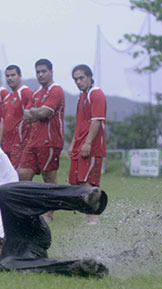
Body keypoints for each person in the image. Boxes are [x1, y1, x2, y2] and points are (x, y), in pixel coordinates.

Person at [0, 110, 108, 277]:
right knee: (6, 264)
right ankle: (79, 267)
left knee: (7, 190)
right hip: (24, 250)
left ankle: (84, 199)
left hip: (29, 223)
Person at [19, 58, 65, 223]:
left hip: (50, 141)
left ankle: (49, 214)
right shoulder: (36, 93)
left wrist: (35, 112)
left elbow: (43, 114)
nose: (40, 75)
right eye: (38, 72)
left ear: (51, 72)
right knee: (23, 174)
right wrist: (35, 112)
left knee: (49, 178)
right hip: (33, 141)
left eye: (43, 71)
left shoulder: (56, 90)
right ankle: (27, 210)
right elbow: (26, 115)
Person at [68, 64, 107, 225]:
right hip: (80, 144)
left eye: (81, 78)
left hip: (91, 146)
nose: (78, 81)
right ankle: (90, 216)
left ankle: (94, 217)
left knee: (88, 181)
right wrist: (72, 144)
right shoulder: (82, 96)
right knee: (78, 181)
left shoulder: (96, 94)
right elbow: (80, 123)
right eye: (75, 79)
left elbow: (96, 120)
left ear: (90, 77)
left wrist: (88, 143)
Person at [2, 65, 33, 169]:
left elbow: (32, 116)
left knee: (18, 176)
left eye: (13, 75)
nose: (9, 78)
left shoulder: (26, 92)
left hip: (19, 143)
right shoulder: (7, 97)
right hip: (7, 144)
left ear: (20, 76)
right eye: (7, 76)